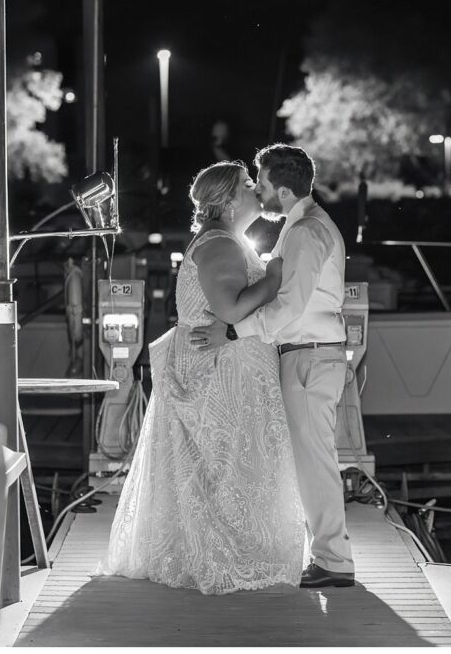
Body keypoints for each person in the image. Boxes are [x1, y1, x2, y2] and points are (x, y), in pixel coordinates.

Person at [94, 161, 305, 595]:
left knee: (224, 469)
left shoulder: (224, 240)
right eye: (249, 186)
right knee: (226, 468)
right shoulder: (220, 244)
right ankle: (228, 554)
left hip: (223, 368)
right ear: (229, 201)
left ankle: (227, 547)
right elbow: (230, 310)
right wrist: (274, 278)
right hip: (221, 376)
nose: (256, 190)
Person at [190, 144, 355, 589]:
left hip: (308, 354)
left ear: (282, 190)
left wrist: (232, 333)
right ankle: (326, 552)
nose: (257, 192)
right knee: (308, 458)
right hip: (308, 354)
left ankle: (334, 560)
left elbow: (289, 308)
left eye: (260, 184)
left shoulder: (305, 233)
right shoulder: (301, 227)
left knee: (314, 460)